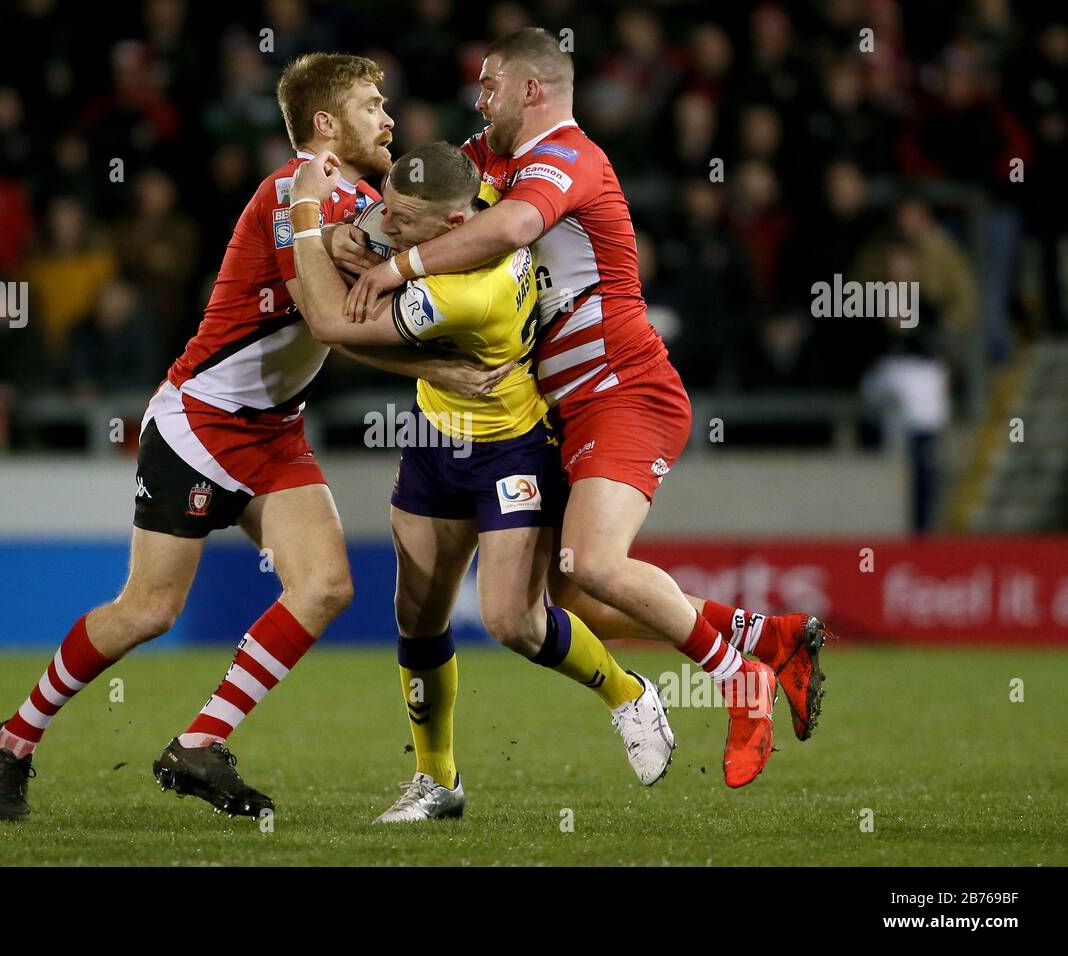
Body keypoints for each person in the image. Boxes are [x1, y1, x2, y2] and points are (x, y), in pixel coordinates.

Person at [0, 53, 506, 822]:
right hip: (199, 423)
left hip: (273, 432)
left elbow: (362, 302)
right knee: (149, 610)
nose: (388, 118)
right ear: (325, 124)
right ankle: (15, 738)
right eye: (370, 103)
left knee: (325, 586)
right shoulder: (288, 194)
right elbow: (332, 319)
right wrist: (438, 367)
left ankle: (198, 742)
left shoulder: (358, 200)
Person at [347, 29, 828, 788]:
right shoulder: (488, 157)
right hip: (561, 410)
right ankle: (767, 638)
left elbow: (508, 227)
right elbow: (417, 195)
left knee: (593, 562)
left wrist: (398, 265)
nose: (481, 97)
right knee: (574, 601)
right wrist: (347, 226)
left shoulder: (570, 157)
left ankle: (741, 679)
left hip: (624, 391)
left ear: (532, 91)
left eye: (492, 85)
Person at [288, 142, 675, 821]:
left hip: (511, 449)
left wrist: (307, 216)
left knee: (511, 621)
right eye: (391, 211)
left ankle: (627, 694)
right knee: (416, 615)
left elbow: (328, 325)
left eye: (406, 221)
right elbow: (394, 230)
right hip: (435, 438)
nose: (390, 224)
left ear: (449, 229)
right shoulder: (480, 209)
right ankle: (437, 781)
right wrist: (368, 236)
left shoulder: (466, 289)